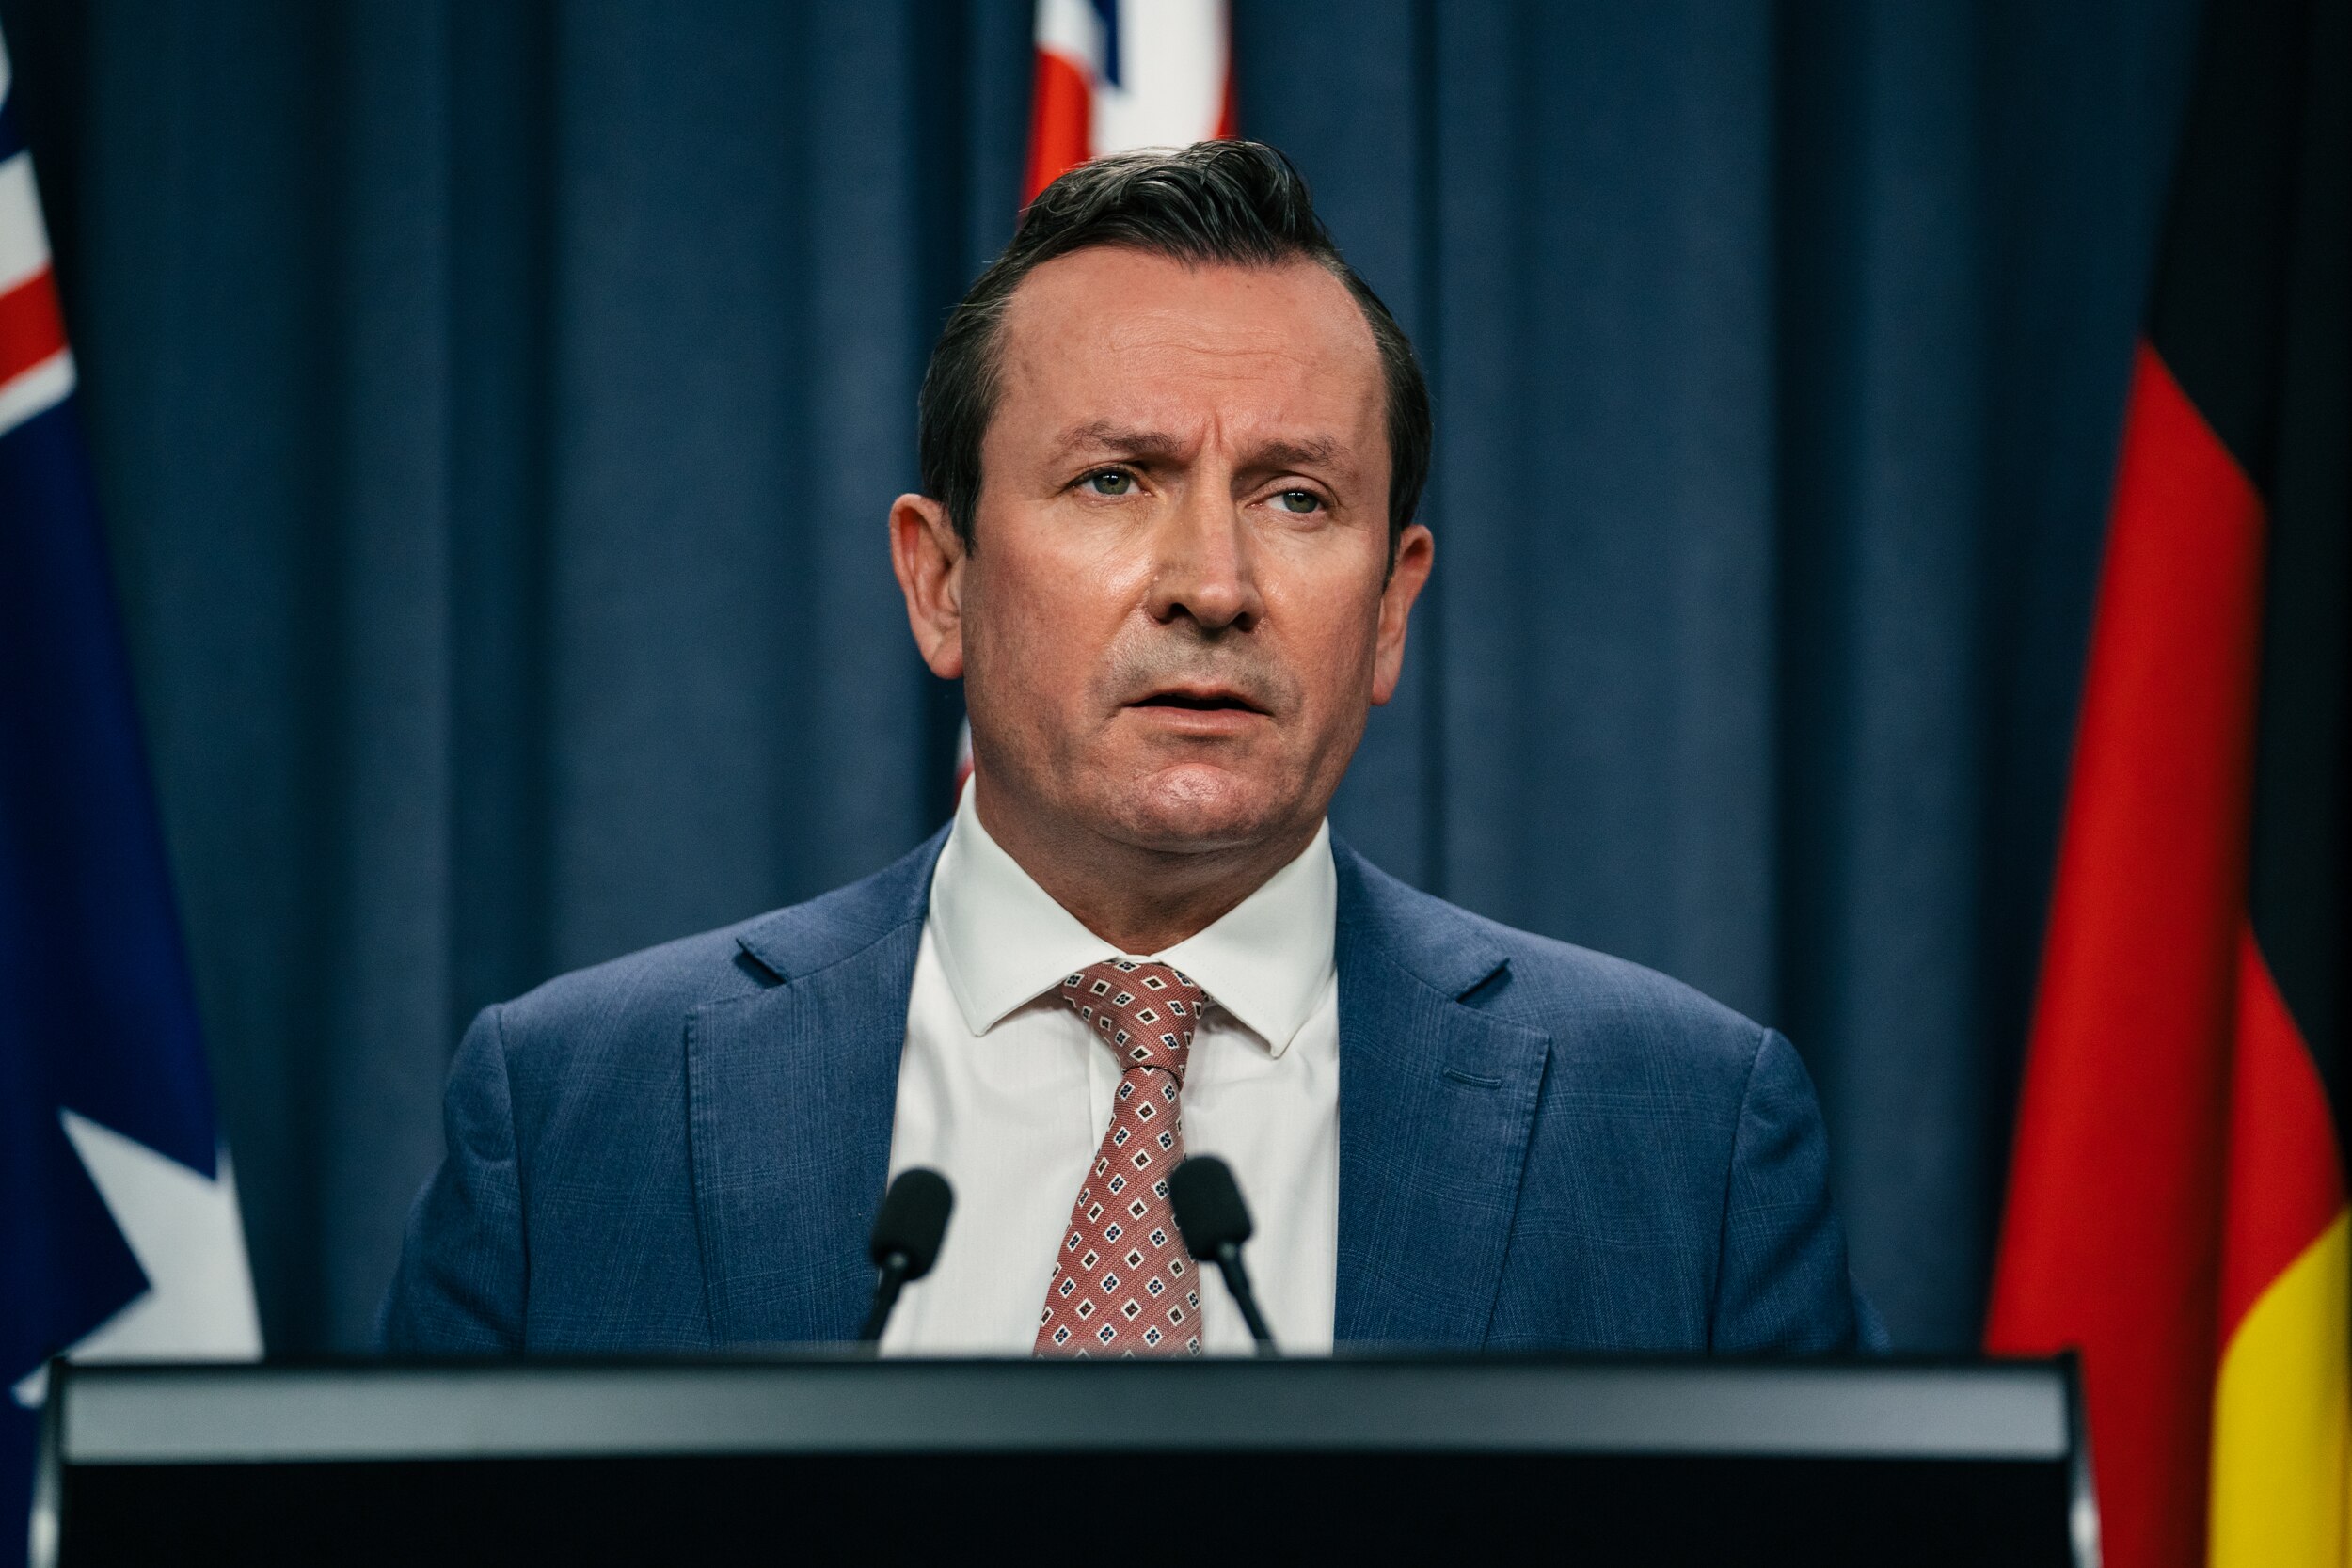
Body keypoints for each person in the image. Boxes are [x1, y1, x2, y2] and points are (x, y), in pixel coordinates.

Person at [382, 141, 1876, 1357]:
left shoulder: (1685, 1141)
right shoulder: (581, 1117)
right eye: (1113, 480)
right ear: (941, 579)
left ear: (1391, 609)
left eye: (1297, 498)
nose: (1212, 585)